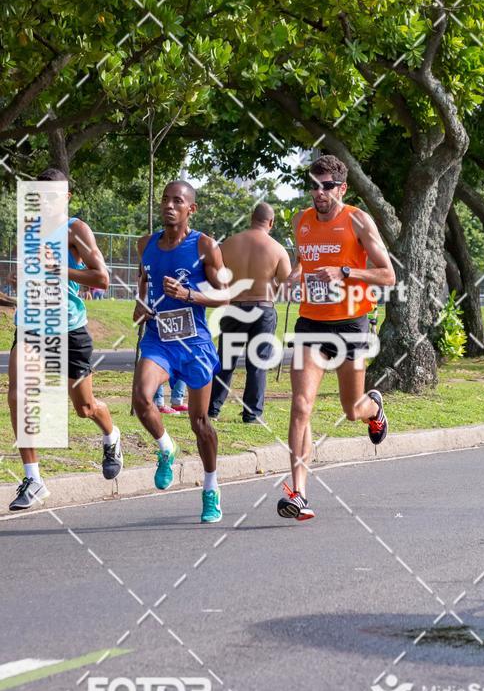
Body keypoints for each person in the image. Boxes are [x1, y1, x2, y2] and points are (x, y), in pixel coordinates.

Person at [277, 155, 396, 522]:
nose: (319, 192)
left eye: (326, 186)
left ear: (341, 188)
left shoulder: (358, 220)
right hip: (311, 322)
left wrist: (345, 271)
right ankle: (298, 493)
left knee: (350, 408)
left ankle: (373, 408)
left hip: (350, 324)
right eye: (313, 185)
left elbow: (387, 275)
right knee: (301, 405)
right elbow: (302, 262)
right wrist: (295, 276)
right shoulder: (301, 222)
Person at [7, 168, 124, 512]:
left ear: (66, 197)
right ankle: (34, 477)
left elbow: (101, 278)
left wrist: (57, 268)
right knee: (19, 395)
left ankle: (111, 436)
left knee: (84, 407)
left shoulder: (76, 229)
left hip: (68, 329)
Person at [132, 180, 228, 523]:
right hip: (159, 339)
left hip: (195, 344)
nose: (169, 206)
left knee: (200, 423)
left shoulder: (204, 245)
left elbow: (224, 295)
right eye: (165, 200)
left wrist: (189, 295)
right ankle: (166, 448)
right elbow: (144, 280)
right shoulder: (146, 244)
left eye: (177, 201)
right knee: (142, 399)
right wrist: (141, 304)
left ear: (192, 209)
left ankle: (211, 487)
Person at [208, 202, 291, 423]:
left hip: (234, 307)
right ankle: (252, 414)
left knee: (225, 361)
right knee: (257, 362)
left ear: (251, 218)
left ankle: (212, 409)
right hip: (262, 309)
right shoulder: (277, 249)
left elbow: (217, 277)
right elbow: (287, 285)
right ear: (271, 223)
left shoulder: (228, 244)